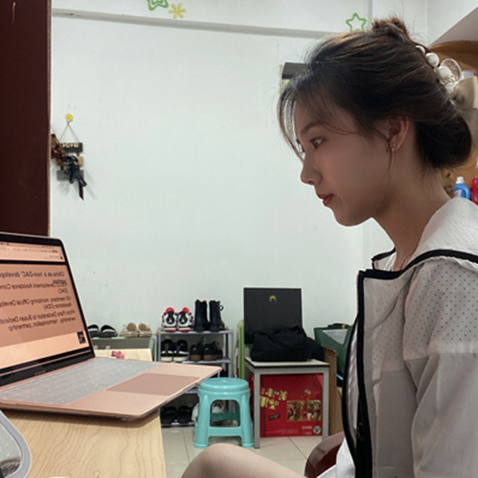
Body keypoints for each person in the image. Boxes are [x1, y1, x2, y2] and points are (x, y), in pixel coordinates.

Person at [182, 16, 478, 478]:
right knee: (213, 461)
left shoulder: (456, 278)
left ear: (394, 129)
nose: (306, 173)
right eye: (305, 148)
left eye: (318, 141)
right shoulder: (402, 262)